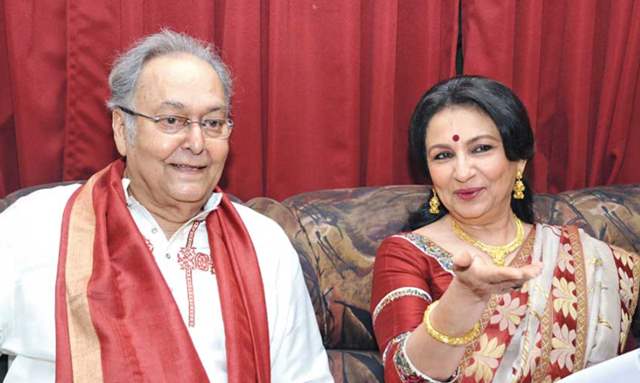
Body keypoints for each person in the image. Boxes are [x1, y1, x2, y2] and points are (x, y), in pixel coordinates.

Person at [0, 30, 332, 382]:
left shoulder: (265, 245)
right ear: (120, 129)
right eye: (172, 121)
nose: (196, 142)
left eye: (213, 123)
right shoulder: (35, 225)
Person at [370, 76, 640, 382]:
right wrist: (466, 296)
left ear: (519, 160)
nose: (462, 172)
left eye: (481, 149)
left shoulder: (589, 259)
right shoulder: (405, 254)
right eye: (443, 155)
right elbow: (403, 376)